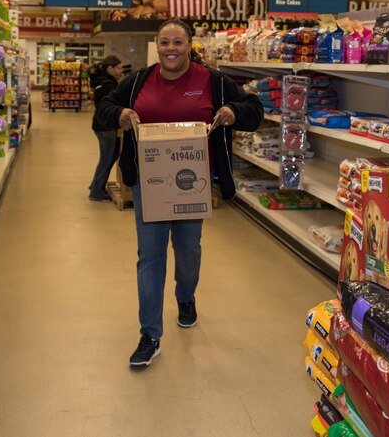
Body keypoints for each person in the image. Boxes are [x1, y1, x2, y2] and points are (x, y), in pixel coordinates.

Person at [96, 19, 263, 368]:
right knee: (150, 256)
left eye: (178, 42)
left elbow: (254, 109)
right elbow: (103, 107)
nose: (171, 49)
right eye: (164, 43)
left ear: (189, 46)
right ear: (156, 46)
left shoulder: (213, 81)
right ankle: (150, 335)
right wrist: (122, 114)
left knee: (188, 250)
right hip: (149, 183)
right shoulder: (139, 80)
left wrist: (233, 112)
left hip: (192, 183)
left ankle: (185, 297)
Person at [88, 55, 124, 201]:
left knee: (112, 155)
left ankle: (96, 185)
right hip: (105, 126)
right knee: (107, 158)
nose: (121, 71)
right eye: (119, 68)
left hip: (103, 124)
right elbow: (111, 105)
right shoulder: (107, 84)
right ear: (110, 68)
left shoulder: (102, 81)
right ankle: (96, 192)